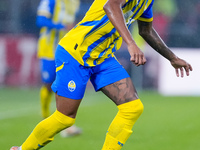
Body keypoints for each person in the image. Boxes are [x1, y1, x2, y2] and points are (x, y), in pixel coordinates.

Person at [10, 0, 192, 149]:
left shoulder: (147, 3)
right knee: (64, 118)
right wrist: (130, 43)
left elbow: (146, 30)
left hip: (102, 57)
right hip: (76, 52)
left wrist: (172, 58)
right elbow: (110, 5)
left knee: (132, 108)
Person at [36, 0, 81, 137]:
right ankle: (45, 119)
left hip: (67, 50)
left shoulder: (74, 2)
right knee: (48, 84)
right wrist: (60, 26)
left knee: (64, 85)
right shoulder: (50, 1)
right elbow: (41, 21)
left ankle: (63, 124)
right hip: (49, 49)